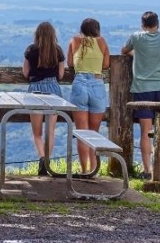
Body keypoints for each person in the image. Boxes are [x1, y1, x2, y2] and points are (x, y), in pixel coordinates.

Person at [121, 11, 160, 180]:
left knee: (146, 131)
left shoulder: (136, 37)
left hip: (143, 88)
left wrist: (136, 56)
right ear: (157, 23)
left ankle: (147, 169)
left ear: (142, 24)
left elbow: (124, 50)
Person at [22, 21, 67, 176]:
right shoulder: (58, 51)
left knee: (37, 133)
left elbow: (25, 73)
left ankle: (41, 157)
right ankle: (47, 161)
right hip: (54, 90)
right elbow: (61, 75)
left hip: (35, 89)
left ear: (37, 34)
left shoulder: (31, 50)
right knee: (51, 131)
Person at [67, 17, 110, 174]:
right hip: (97, 84)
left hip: (79, 83)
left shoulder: (74, 40)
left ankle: (83, 169)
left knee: (82, 132)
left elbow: (70, 63)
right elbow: (106, 64)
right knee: (93, 133)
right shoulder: (102, 42)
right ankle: (94, 169)